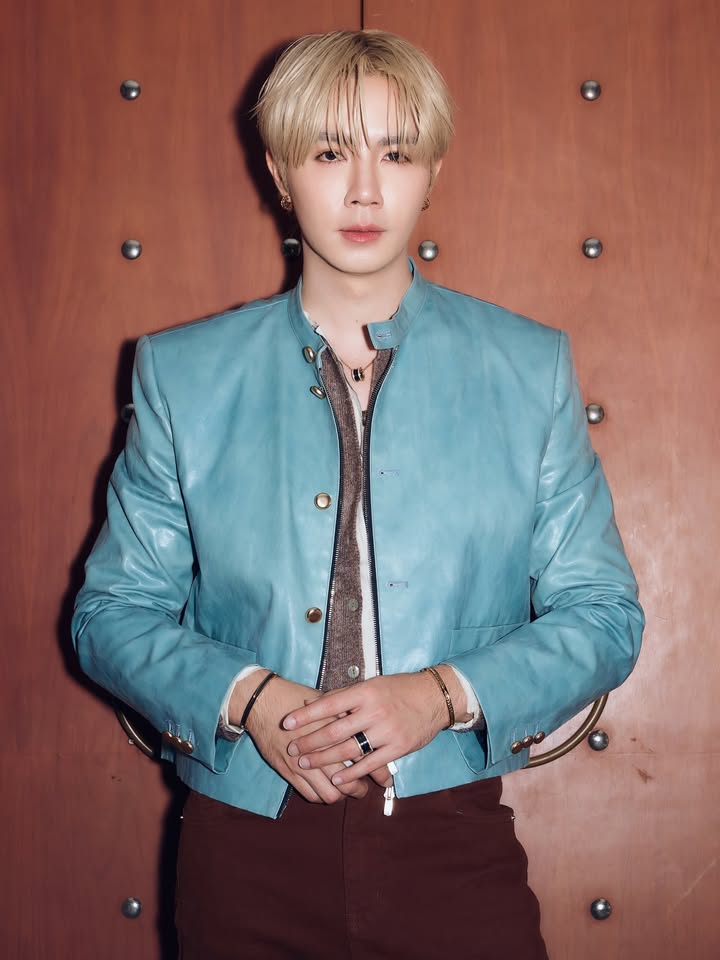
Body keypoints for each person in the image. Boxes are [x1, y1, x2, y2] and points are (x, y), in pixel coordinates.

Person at [72, 29, 644, 960]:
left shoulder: (527, 367)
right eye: (331, 152)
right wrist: (250, 699)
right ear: (279, 172)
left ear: (434, 171)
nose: (367, 190)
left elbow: (605, 616)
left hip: (452, 841)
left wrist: (442, 695)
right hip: (240, 853)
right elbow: (111, 613)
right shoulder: (183, 375)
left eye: (398, 153)